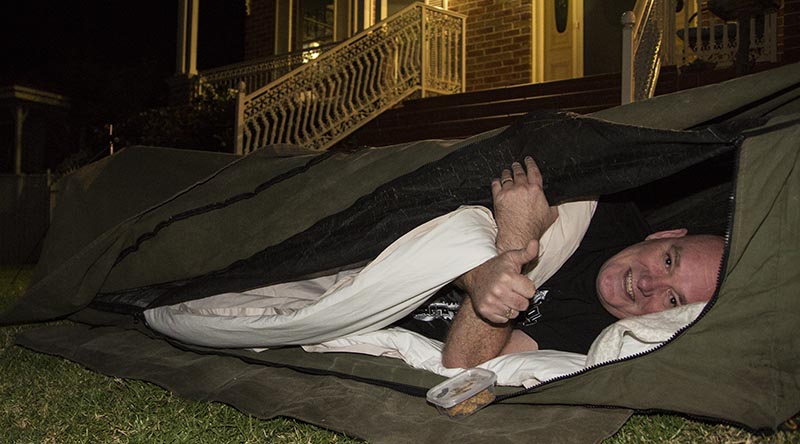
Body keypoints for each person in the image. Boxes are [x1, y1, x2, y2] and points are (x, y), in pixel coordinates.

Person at [433, 156, 725, 369]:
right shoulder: (602, 205)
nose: (649, 283)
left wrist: (512, 245)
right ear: (664, 235)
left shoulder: (602, 336)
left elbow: (463, 365)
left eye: (673, 300)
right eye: (668, 260)